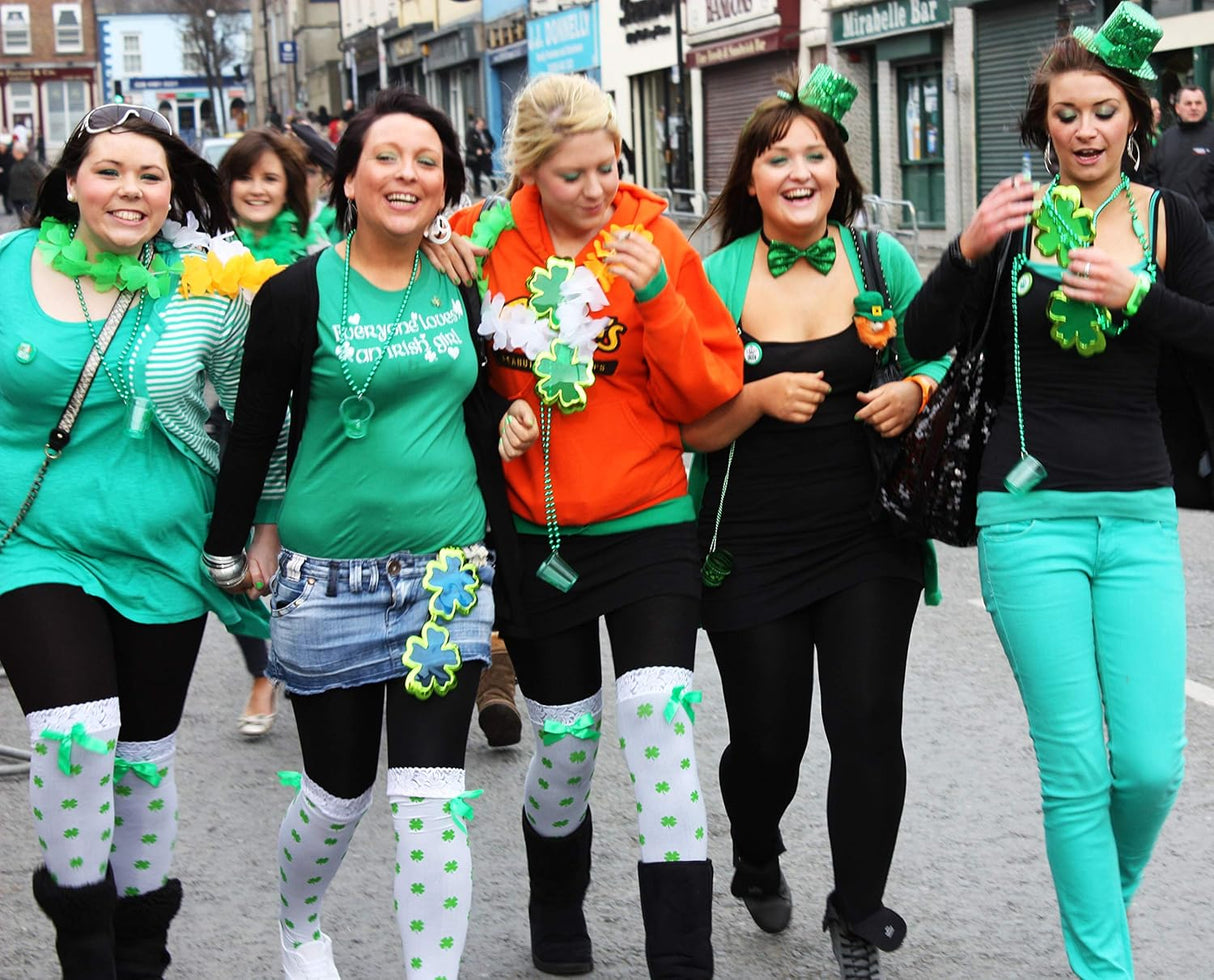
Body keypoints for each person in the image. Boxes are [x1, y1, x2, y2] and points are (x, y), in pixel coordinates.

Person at [903, 5, 1210, 977]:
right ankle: (1100, 962)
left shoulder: (1172, 221)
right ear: (1041, 127)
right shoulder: (1014, 220)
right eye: (1064, 114)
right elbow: (914, 341)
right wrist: (961, 250)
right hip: (1024, 515)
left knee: (1151, 766)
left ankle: (1097, 908)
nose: (1082, 129)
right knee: (1075, 767)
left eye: (1102, 111)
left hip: (1136, 511)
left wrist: (1137, 298)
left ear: (1135, 120)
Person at [203, 86, 524, 980]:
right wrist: (237, 542)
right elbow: (257, 425)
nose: (407, 174)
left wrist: (510, 541)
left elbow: (475, 417)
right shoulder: (296, 293)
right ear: (348, 178)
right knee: (338, 793)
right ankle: (301, 926)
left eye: (428, 161)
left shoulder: (461, 282)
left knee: (433, 800)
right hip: (327, 583)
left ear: (446, 185)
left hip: (448, 571)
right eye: (386, 156)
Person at [448, 72, 742, 978]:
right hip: (541, 538)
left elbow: (712, 393)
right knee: (567, 739)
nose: (597, 189)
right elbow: (434, 366)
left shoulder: (653, 240)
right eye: (574, 174)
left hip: (650, 519)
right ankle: (553, 904)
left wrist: (657, 299)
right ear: (531, 172)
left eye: (608, 166)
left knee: (658, 716)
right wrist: (490, 418)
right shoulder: (476, 243)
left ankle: (683, 960)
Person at [0, 101, 283, 977]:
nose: (130, 190)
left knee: (141, 764)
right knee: (75, 736)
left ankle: (142, 950)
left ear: (173, 191)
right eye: (110, 171)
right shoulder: (11, 265)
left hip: (164, 548)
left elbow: (256, 417)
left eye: (150, 175)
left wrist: (264, 528)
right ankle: (85, 949)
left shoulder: (211, 283)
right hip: (33, 542)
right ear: (71, 183)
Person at [683, 65, 950, 980]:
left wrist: (916, 387)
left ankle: (857, 907)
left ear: (838, 170)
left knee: (869, 723)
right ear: (748, 180)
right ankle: (756, 850)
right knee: (769, 742)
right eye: (776, 156)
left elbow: (947, 354)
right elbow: (685, 425)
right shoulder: (712, 278)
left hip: (870, 535)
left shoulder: (885, 263)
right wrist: (754, 397)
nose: (799, 170)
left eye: (815, 154)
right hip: (747, 545)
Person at [218, 127, 328, 265]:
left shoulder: (316, 250)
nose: (257, 190)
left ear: (287, 189)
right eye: (245, 178)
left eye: (270, 179)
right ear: (229, 186)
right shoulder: (206, 250)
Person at [1143, 84, 1214, 230]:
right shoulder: (1166, 138)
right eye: (1188, 103)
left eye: (1198, 103)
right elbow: (1150, 174)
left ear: (1206, 106)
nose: (1194, 107)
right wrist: (1163, 203)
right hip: (1170, 224)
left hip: (1208, 224)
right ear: (1177, 108)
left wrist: (1206, 205)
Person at [9, 140, 45, 221]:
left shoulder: (30, 163)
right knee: (22, 219)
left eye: (14, 151)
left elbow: (41, 176)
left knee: (29, 219)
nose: (12, 153)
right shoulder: (15, 163)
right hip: (16, 198)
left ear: (19, 152)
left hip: (28, 197)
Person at [464, 114, 495, 198]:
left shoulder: (486, 132)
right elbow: (468, 144)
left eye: (483, 125)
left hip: (485, 158)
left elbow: (492, 143)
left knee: (490, 173)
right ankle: (477, 192)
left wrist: (489, 149)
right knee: (476, 175)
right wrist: (476, 151)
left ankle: (495, 189)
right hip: (475, 159)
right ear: (476, 124)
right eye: (480, 125)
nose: (481, 127)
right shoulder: (471, 132)